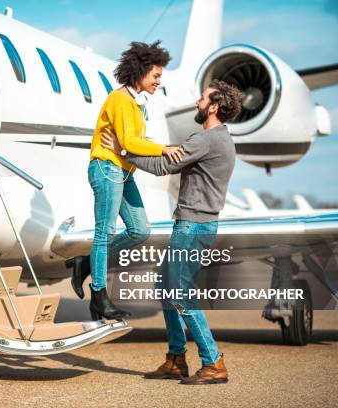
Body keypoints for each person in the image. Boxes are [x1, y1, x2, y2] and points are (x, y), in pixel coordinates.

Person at [101, 79, 244, 385]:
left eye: (203, 99)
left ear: (214, 107)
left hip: (193, 226)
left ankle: (213, 361)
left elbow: (164, 166)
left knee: (179, 292)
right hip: (196, 224)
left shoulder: (207, 139)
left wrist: (122, 150)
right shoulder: (221, 139)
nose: (197, 102)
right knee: (167, 286)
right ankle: (176, 359)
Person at [66, 41, 184, 321]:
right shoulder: (119, 100)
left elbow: (130, 144)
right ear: (140, 72)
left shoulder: (136, 103)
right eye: (155, 75)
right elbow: (132, 142)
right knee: (104, 233)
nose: (158, 81)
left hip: (124, 172)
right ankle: (98, 298)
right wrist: (163, 148)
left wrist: (130, 147)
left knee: (140, 230)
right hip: (106, 169)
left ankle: (85, 265)